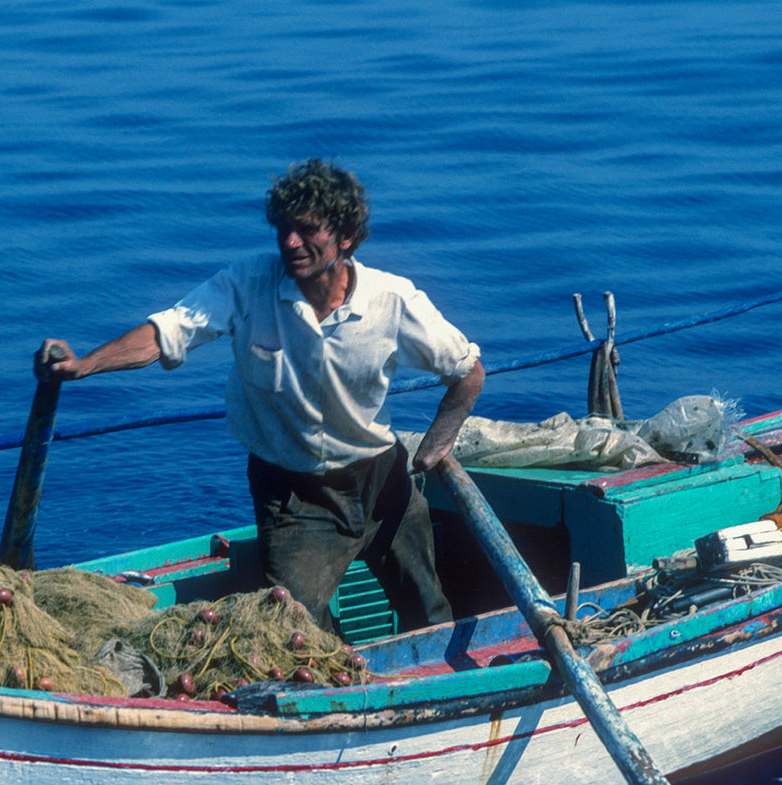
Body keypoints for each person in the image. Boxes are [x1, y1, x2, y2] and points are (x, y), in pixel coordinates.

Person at [36, 159, 484, 632]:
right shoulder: (248, 286)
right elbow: (168, 332)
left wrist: (436, 443)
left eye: (308, 230)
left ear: (346, 237)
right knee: (295, 628)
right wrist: (83, 365)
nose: (291, 243)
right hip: (293, 496)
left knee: (428, 607)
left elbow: (468, 373)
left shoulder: (394, 302)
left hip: (382, 480)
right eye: (284, 229)